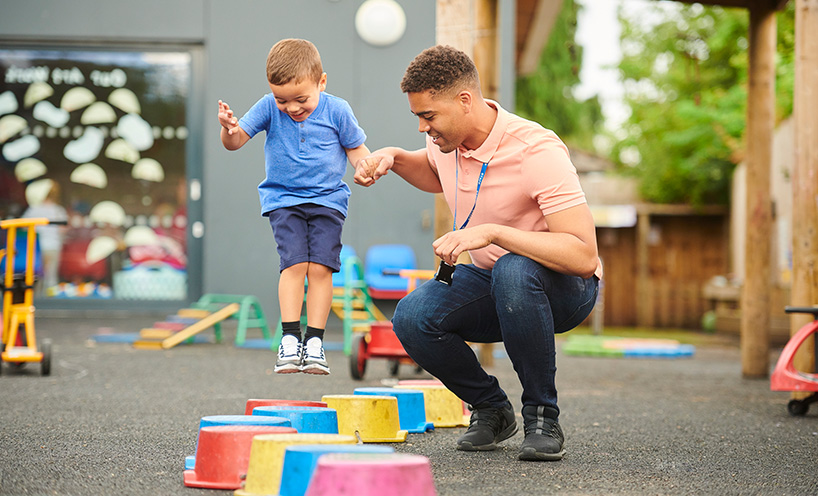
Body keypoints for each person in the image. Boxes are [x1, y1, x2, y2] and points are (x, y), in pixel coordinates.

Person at [354, 45, 602, 461]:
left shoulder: (535, 150)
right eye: (417, 116)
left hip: (564, 287)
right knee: (412, 317)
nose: (422, 127)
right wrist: (393, 158)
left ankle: (542, 417)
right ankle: (491, 409)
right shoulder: (445, 143)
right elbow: (433, 171)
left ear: (464, 101)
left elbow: (583, 256)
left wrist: (491, 233)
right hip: (497, 282)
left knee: (513, 268)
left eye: (428, 116)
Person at [218, 38, 371, 375]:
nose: (292, 107)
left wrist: (365, 167)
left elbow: (356, 149)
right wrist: (228, 129)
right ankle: (290, 339)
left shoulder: (338, 110)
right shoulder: (267, 107)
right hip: (283, 199)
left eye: (301, 99)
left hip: (328, 200)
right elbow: (235, 142)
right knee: (294, 264)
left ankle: (314, 342)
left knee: (321, 269)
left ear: (322, 82)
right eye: (282, 99)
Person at [22, 179, 68, 295]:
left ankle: (35, 299)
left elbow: (23, 226)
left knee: (36, 275)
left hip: (36, 247)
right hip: (53, 246)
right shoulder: (58, 210)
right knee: (51, 276)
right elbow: (63, 229)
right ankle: (51, 302)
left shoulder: (34, 209)